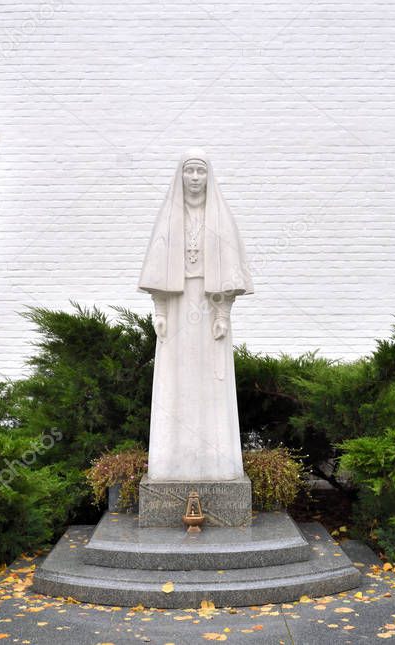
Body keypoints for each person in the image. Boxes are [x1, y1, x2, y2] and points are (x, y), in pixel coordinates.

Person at [139, 149, 253, 481]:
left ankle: (215, 464)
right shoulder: (168, 218)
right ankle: (173, 463)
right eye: (189, 171)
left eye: (200, 171)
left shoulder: (220, 218)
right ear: (180, 176)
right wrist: (159, 310)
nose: (194, 178)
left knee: (210, 383)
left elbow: (229, 273)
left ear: (208, 176)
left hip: (208, 306)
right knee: (176, 382)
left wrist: (222, 313)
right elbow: (159, 269)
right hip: (176, 308)